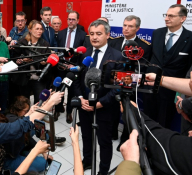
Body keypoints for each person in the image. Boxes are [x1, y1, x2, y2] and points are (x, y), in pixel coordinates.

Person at [0, 90, 64, 175]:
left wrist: (30, 112)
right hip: (6, 160)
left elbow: (21, 123)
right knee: (42, 164)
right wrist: (51, 103)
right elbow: (22, 125)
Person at [73, 20, 124, 175]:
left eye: (99, 34)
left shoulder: (117, 56)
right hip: (84, 105)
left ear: (108, 35)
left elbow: (119, 87)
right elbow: (76, 78)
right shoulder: (84, 54)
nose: (94, 37)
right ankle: (87, 160)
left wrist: (100, 103)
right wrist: (81, 97)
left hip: (105, 108)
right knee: (86, 137)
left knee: (104, 142)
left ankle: (102, 170)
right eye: (92, 34)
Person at [146, 4, 192, 129]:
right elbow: (152, 57)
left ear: (182, 18)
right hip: (151, 87)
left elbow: (189, 67)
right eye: (166, 15)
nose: (166, 18)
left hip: (171, 91)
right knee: (147, 119)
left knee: (164, 123)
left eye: (171, 16)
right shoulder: (157, 33)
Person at [1, 96, 53, 173]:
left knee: (34, 128)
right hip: (10, 157)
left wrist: (43, 152)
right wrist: (36, 150)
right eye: (25, 111)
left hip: (18, 147)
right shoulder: (11, 121)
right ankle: (11, 168)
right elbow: (14, 150)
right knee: (43, 164)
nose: (27, 112)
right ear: (17, 110)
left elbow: (28, 135)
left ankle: (25, 151)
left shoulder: (19, 117)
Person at [9, 20, 51, 105]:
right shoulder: (22, 42)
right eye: (37, 29)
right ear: (30, 30)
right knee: (24, 103)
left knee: (39, 102)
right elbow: (14, 58)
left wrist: (44, 63)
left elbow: (48, 60)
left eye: (41, 29)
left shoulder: (44, 44)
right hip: (24, 78)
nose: (39, 31)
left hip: (39, 77)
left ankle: (37, 117)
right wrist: (21, 60)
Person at [55, 10, 87, 123]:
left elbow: (83, 53)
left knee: (72, 91)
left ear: (77, 20)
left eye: (73, 19)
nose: (71, 21)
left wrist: (75, 65)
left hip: (74, 67)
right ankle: (58, 109)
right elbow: (58, 50)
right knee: (59, 89)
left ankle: (69, 112)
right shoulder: (61, 33)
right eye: (69, 19)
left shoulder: (83, 35)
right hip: (61, 66)